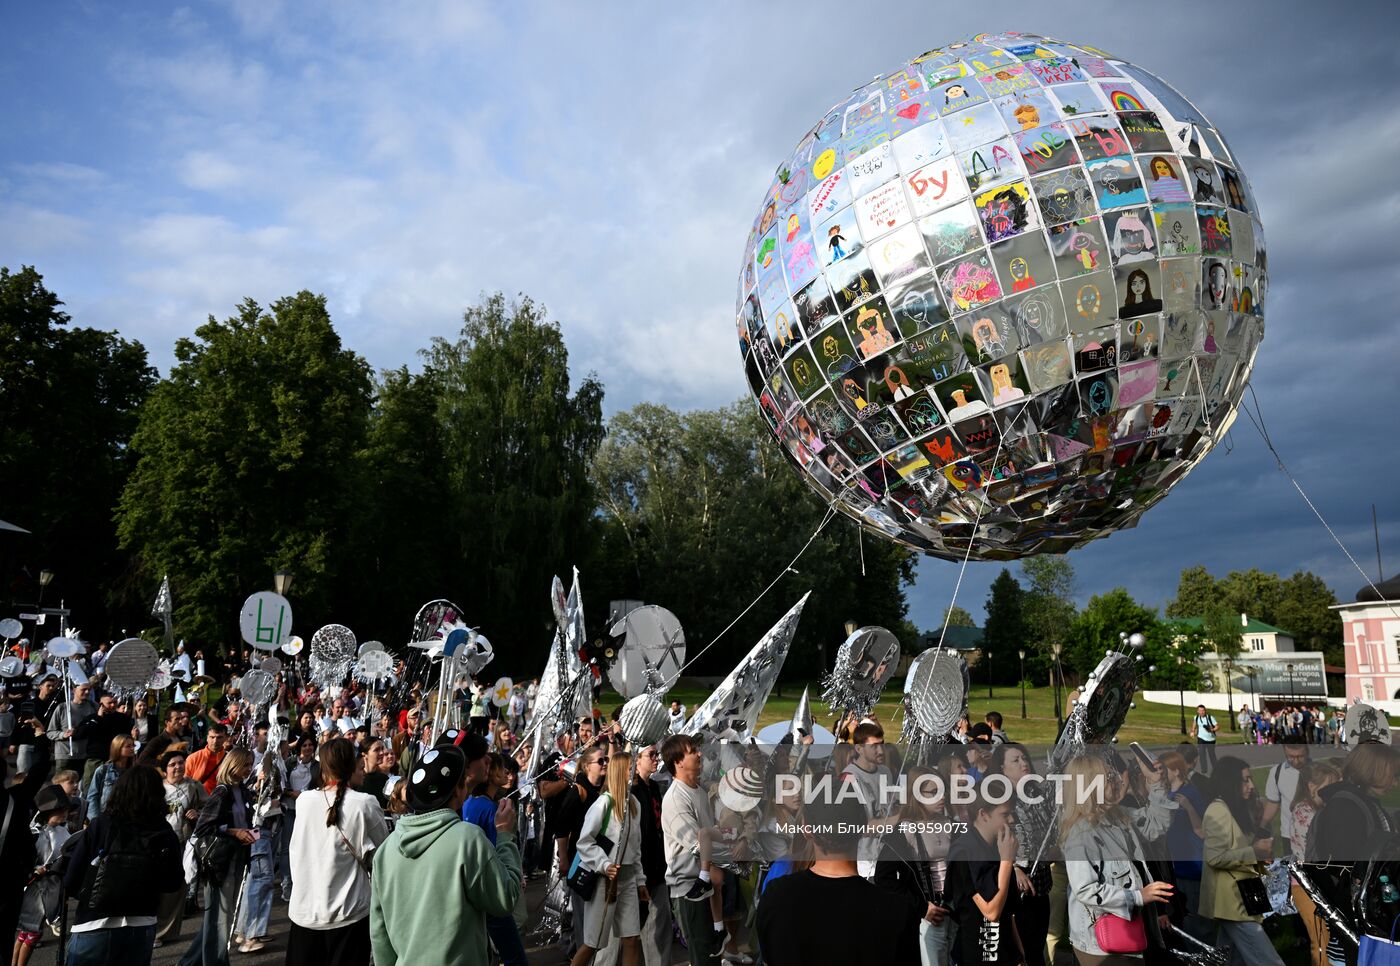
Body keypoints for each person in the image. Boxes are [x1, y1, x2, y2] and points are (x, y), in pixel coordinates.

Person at [369, 743, 521, 966]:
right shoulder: (467, 840)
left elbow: (379, 933)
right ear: (458, 791)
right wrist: (505, 837)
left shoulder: (386, 850)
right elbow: (504, 898)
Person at [758, 797, 921, 965]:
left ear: (806, 829)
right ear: (862, 828)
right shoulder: (898, 910)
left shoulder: (777, 896)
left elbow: (768, 954)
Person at [1061, 753, 1177, 966]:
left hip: (1130, 933)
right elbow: (1086, 889)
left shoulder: (1118, 816)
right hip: (1102, 944)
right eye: (1109, 778)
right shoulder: (1081, 834)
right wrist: (1138, 896)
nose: (1119, 781)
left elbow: (1155, 825)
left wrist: (1155, 782)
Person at [64, 766, 184, 965]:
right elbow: (173, 882)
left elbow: (71, 879)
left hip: (94, 922)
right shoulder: (163, 830)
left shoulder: (102, 824)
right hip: (141, 923)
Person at [286, 738, 388, 966]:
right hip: (348, 913)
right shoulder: (364, 803)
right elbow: (384, 851)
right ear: (351, 766)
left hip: (306, 911)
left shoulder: (304, 800)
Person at [1200, 756, 1284, 966]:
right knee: (1267, 960)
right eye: (1245, 780)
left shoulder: (1236, 808)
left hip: (1244, 895)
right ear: (1230, 782)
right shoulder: (1218, 810)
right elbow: (1215, 857)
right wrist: (1253, 851)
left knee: (1231, 959)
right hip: (1233, 902)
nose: (1251, 785)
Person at [179, 748, 256, 966]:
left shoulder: (242, 789)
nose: (248, 769)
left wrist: (248, 831)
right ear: (234, 765)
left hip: (237, 856)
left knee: (217, 919)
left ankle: (189, 962)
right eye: (245, 764)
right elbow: (205, 827)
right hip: (220, 862)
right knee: (220, 919)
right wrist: (235, 831)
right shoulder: (222, 792)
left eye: (250, 764)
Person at [571, 751, 646, 966]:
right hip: (605, 881)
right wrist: (604, 864)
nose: (635, 771)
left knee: (631, 938)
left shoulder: (634, 804)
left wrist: (640, 880)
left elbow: (636, 847)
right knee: (593, 943)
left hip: (629, 877)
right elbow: (584, 841)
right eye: (631, 766)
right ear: (620, 770)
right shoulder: (604, 803)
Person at [874, 765, 954, 966]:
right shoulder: (905, 831)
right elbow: (884, 878)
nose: (941, 796)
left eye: (943, 790)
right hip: (930, 916)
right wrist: (921, 907)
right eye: (933, 792)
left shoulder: (952, 824)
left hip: (957, 911)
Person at [460, 744, 529, 966]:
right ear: (489, 774)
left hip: (483, 883)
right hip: (493, 884)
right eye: (501, 769)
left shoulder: (477, 803)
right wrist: (513, 873)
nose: (508, 775)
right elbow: (493, 846)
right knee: (514, 949)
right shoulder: (489, 809)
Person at [660, 734, 725, 966]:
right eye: (692, 751)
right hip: (691, 889)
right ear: (678, 762)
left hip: (712, 883)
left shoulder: (699, 789)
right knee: (704, 957)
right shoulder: (675, 799)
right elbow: (699, 847)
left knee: (714, 957)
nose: (699, 754)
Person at [991, 742, 1052, 966]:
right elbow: (990, 842)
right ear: (1002, 769)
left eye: (1024, 758)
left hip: (1041, 880)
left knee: (1037, 944)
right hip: (1017, 880)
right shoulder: (999, 799)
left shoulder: (1036, 794)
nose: (1024, 763)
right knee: (1022, 948)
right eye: (1015, 760)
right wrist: (1014, 868)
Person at [13, 785, 72, 966]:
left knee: (27, 931)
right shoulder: (34, 834)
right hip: (34, 886)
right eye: (59, 812)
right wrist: (36, 869)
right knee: (31, 931)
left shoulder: (62, 832)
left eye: (65, 811)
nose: (64, 815)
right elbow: (23, 859)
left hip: (51, 884)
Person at [1289, 759, 1340, 959]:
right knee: (1321, 940)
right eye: (1329, 787)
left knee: (1329, 939)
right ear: (1312, 787)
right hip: (1307, 885)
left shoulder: (1317, 810)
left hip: (1318, 882)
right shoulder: (1304, 811)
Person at [559, 745, 609, 952]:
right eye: (600, 761)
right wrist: (563, 859)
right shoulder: (578, 791)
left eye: (606, 759)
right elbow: (561, 828)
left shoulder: (603, 790)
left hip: (599, 859)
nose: (605, 763)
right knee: (582, 919)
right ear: (588, 766)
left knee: (597, 919)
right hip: (579, 862)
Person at [1157, 750, 1210, 941]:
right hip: (1172, 867)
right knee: (1179, 918)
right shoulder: (1164, 794)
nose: (1161, 773)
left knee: (1196, 920)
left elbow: (1201, 831)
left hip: (1191, 866)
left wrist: (1188, 808)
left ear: (1177, 771)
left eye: (1164, 769)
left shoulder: (1190, 793)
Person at [156, 751, 207, 947]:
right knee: (160, 888)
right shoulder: (158, 788)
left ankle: (168, 932)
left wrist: (198, 812)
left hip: (183, 843)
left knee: (178, 888)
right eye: (172, 765)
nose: (178, 767)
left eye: (181, 763)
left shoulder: (193, 786)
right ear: (165, 769)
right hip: (161, 843)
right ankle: (156, 931)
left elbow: (210, 807)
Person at [45, 680, 96, 777]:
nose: (87, 692)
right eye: (83, 689)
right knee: (61, 783)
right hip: (65, 754)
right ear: (74, 690)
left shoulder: (93, 707)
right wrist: (63, 734)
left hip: (84, 754)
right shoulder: (63, 707)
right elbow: (50, 732)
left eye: (89, 690)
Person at [86, 733, 136, 816]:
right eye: (128, 746)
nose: (132, 748)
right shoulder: (103, 770)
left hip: (128, 817)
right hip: (106, 815)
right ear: (118, 748)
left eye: (133, 745)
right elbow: (92, 796)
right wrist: (94, 819)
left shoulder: (134, 772)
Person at [184, 724, 229, 794]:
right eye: (212, 737)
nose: (215, 741)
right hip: (199, 800)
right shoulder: (193, 758)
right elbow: (185, 782)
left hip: (223, 799)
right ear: (207, 738)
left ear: (225, 738)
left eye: (219, 737)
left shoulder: (230, 758)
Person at [1190, 705, 1218, 775]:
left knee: (1211, 754)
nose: (1202, 712)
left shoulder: (1210, 717)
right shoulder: (1196, 717)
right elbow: (1194, 724)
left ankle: (1216, 769)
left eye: (1203, 710)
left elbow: (1217, 726)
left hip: (1210, 739)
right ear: (1198, 711)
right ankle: (1204, 770)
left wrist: (1212, 729)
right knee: (1202, 754)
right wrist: (1192, 731)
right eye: (1200, 711)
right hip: (1201, 738)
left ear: (1205, 711)